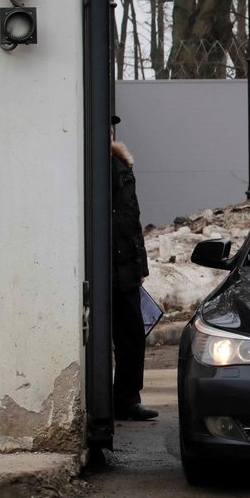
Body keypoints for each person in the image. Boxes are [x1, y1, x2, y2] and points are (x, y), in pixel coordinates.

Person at [111, 114, 158, 421]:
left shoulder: (120, 167)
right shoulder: (97, 165)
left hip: (124, 266)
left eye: (112, 125)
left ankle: (126, 399)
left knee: (131, 335)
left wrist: (140, 265)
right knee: (123, 335)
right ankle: (121, 400)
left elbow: (132, 222)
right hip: (107, 266)